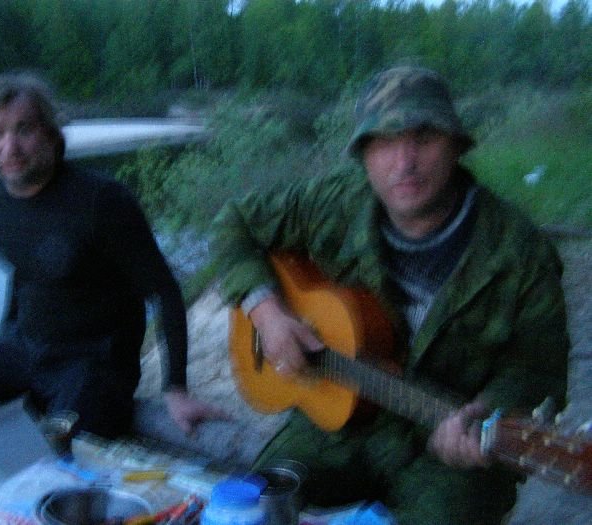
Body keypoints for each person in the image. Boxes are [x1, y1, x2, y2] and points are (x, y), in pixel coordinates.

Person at [210, 65, 570, 524]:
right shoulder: (335, 203)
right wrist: (267, 313)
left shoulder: (522, 254)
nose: (404, 162)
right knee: (261, 501)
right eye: (383, 142)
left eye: (424, 137)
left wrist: (489, 414)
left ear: (456, 145)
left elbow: (537, 370)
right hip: (336, 421)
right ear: (363, 154)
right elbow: (235, 222)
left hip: (448, 452)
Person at [0, 71, 224, 439]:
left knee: (61, 448)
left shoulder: (101, 201)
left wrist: (176, 390)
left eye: (24, 129)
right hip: (25, 352)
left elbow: (165, 291)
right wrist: (4, 342)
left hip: (94, 365)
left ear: (51, 134)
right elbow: (22, 270)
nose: (9, 147)